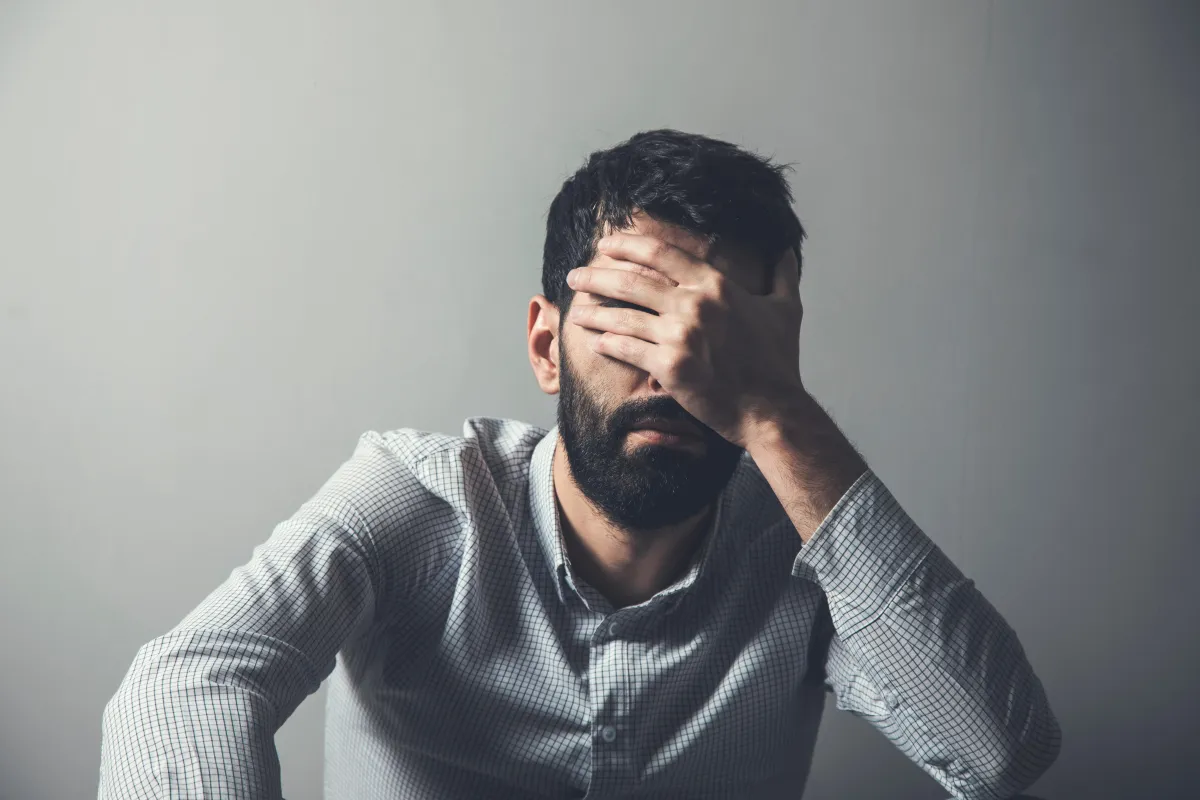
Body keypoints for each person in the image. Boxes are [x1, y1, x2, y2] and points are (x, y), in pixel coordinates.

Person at [99, 129, 1060, 799]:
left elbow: (997, 755)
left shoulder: (810, 555)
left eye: (714, 332)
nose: (674, 366)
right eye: (636, 316)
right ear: (548, 345)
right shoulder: (422, 502)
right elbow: (186, 686)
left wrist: (776, 412)